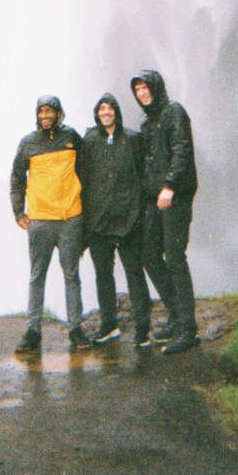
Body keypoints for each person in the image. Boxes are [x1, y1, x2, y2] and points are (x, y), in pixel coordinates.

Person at [10, 94, 91, 354]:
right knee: (37, 276)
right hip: (41, 220)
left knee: (71, 275)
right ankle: (33, 330)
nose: (45, 116)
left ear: (58, 113)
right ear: (37, 115)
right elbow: (17, 177)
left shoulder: (71, 137)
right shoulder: (28, 143)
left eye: (50, 111)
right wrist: (18, 212)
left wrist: (86, 210)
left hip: (70, 218)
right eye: (41, 111)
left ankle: (75, 328)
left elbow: (86, 171)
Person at [131, 70, 200, 355]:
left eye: (146, 87)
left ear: (156, 88)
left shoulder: (174, 113)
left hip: (175, 196)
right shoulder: (148, 124)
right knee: (149, 255)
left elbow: (182, 150)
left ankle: (189, 330)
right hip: (156, 200)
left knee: (174, 256)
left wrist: (170, 186)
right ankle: (177, 314)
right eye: (137, 90)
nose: (142, 93)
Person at [81, 93, 151, 347]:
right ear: (97, 113)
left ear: (117, 112)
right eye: (102, 108)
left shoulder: (132, 139)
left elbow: (144, 175)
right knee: (103, 274)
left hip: (128, 219)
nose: (106, 112)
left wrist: (139, 210)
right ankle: (109, 325)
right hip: (99, 221)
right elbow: (82, 177)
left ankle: (143, 328)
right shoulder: (89, 141)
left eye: (110, 108)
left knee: (134, 272)